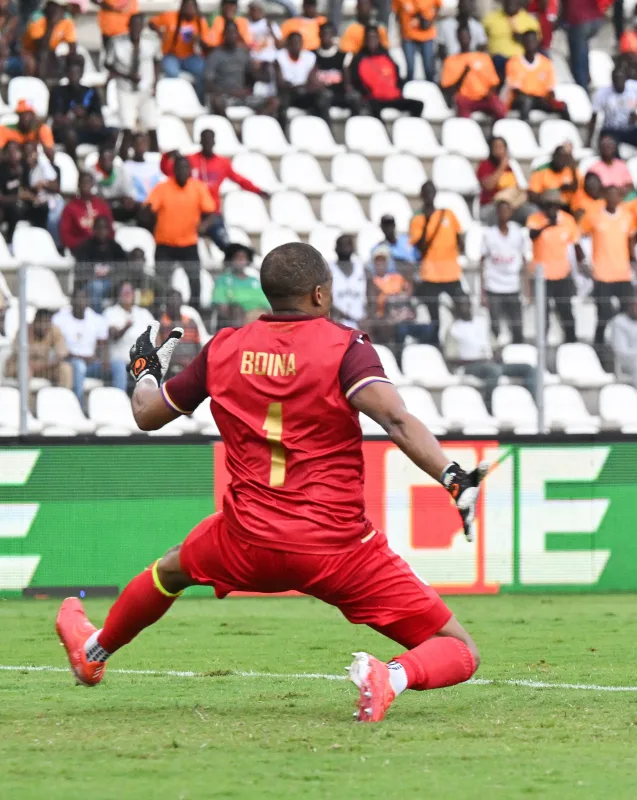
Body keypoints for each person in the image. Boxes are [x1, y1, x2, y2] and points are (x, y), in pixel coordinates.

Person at [54, 242, 488, 725]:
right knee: (459, 649)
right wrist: (453, 478)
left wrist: (145, 373)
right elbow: (397, 421)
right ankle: (392, 676)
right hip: (338, 549)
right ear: (321, 294)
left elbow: (147, 414)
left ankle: (94, 652)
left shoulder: (223, 347)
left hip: (246, 539)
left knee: (172, 570)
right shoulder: (346, 348)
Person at [174, 129, 268, 253]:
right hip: (190, 211)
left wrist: (258, 190)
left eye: (210, 140)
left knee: (224, 242)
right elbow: (169, 170)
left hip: (212, 213)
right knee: (179, 244)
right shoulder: (190, 160)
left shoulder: (222, 163)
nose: (207, 142)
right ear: (200, 141)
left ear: (214, 142)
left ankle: (237, 258)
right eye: (205, 139)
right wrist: (167, 157)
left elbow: (239, 179)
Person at [144, 155, 216, 306]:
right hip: (165, 244)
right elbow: (149, 208)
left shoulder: (198, 187)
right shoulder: (162, 187)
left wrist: (204, 225)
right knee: (161, 281)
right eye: (179, 168)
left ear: (190, 170)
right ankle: (160, 311)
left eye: (186, 167)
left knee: (195, 280)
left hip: (188, 243)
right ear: (174, 170)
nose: (183, 171)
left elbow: (211, 212)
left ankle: (195, 310)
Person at [580, 185, 636, 347]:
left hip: (623, 273)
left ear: (620, 198)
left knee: (627, 311)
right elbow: (580, 237)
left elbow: (631, 239)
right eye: (609, 195)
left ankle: (624, 343)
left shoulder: (627, 216)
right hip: (601, 274)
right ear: (605, 197)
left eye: (615, 195)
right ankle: (599, 344)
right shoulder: (594, 217)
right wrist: (585, 263)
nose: (613, 198)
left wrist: (634, 261)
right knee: (603, 313)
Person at [409, 181, 465, 340]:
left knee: (462, 309)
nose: (429, 195)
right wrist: (427, 223)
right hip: (430, 275)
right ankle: (435, 345)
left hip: (451, 273)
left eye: (431, 191)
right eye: (425, 192)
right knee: (434, 316)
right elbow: (420, 248)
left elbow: (460, 239)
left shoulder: (448, 214)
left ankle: (459, 341)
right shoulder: (417, 219)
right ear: (421, 196)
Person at [527, 190, 582, 343]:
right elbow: (532, 235)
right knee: (543, 314)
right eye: (548, 205)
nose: (551, 208)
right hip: (541, 276)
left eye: (554, 205)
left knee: (566, 312)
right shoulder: (535, 219)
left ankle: (572, 344)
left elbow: (575, 246)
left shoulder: (568, 220)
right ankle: (541, 345)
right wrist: (547, 225)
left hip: (562, 275)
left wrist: (578, 273)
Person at [105, 13, 159, 152]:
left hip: (145, 89)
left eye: (139, 25)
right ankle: (122, 160)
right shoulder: (116, 42)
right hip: (125, 90)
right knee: (127, 127)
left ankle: (155, 161)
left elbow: (157, 61)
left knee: (152, 126)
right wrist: (127, 75)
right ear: (128, 26)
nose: (136, 28)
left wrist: (155, 84)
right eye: (133, 25)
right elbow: (108, 64)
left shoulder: (152, 41)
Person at [52, 285, 111, 402]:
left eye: (83, 299)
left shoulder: (96, 319)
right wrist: (80, 358)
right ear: (71, 301)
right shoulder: (59, 319)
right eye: (77, 299)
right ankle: (78, 405)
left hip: (92, 363)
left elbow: (103, 346)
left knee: (118, 366)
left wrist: (102, 359)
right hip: (70, 362)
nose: (80, 302)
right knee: (79, 366)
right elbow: (60, 349)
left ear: (88, 300)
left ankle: (117, 404)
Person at [349, 26, 424, 118]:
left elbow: (397, 76)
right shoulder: (358, 59)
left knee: (418, 105)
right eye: (369, 38)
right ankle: (382, 131)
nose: (372, 41)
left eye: (375, 37)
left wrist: (398, 90)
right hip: (374, 99)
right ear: (365, 40)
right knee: (372, 107)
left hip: (392, 97)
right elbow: (356, 81)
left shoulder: (386, 56)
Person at [480, 199, 527, 343]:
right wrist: (482, 291)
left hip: (513, 286)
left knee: (517, 326)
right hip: (494, 287)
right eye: (501, 210)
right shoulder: (489, 235)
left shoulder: (518, 234)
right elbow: (481, 262)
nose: (504, 214)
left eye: (507, 210)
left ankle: (518, 354)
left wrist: (527, 288)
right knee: (495, 327)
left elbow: (524, 261)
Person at [441, 26, 505, 121]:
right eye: (461, 36)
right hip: (465, 99)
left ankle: (496, 133)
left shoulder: (484, 57)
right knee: (461, 107)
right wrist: (463, 74)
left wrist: (489, 93)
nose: (464, 38)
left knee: (499, 108)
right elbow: (448, 89)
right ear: (457, 38)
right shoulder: (450, 61)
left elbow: (494, 82)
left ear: (471, 37)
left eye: (466, 35)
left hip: (484, 97)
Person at [48, 57, 108, 154]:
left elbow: (99, 120)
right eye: (71, 73)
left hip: (86, 130)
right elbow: (57, 119)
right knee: (70, 135)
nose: (74, 76)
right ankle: (74, 165)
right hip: (65, 133)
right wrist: (72, 115)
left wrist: (86, 118)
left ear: (81, 74)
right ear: (67, 74)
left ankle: (103, 163)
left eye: (77, 73)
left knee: (112, 133)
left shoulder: (90, 92)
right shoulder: (57, 92)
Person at [104, 280, 155, 391]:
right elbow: (113, 335)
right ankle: (120, 403)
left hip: (142, 359)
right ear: (119, 294)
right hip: (120, 359)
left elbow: (156, 335)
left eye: (129, 292)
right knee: (120, 366)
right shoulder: (111, 312)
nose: (127, 294)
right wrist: (125, 328)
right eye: (124, 292)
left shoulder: (143, 313)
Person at [150, 0, 209, 96]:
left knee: (203, 70)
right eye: (187, 6)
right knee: (172, 72)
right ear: (182, 7)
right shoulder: (170, 16)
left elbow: (206, 46)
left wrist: (197, 39)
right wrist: (159, 32)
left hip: (190, 56)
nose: (189, 10)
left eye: (192, 7)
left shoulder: (200, 22)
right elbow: (151, 22)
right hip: (171, 55)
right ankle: (175, 98)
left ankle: (199, 98)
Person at [505, 30, 566, 121]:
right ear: (523, 43)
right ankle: (525, 130)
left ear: (537, 42)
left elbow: (550, 89)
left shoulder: (546, 63)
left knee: (562, 106)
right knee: (526, 101)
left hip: (541, 100)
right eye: (528, 41)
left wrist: (550, 100)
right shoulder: (514, 62)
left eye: (533, 41)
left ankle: (569, 131)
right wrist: (535, 97)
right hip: (520, 100)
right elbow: (516, 90)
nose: (530, 44)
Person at [73, 216, 131, 309]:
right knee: (97, 286)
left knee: (127, 287)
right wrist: (94, 272)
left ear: (108, 230)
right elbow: (80, 268)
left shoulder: (115, 246)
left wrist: (111, 270)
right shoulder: (86, 246)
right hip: (91, 283)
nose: (102, 231)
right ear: (94, 229)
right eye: (99, 228)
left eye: (104, 228)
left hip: (112, 281)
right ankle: (98, 316)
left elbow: (123, 264)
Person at [588, 63, 637, 148]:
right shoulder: (602, 92)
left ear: (626, 79)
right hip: (611, 130)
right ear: (612, 80)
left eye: (621, 78)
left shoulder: (635, 89)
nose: (618, 82)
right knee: (608, 143)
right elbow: (594, 116)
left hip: (630, 129)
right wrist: (588, 141)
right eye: (616, 79)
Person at [276, 31, 330, 120]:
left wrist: (306, 88)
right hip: (289, 93)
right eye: (294, 43)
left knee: (324, 95)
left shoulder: (309, 57)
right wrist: (294, 87)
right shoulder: (280, 56)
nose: (297, 45)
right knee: (282, 100)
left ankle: (325, 127)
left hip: (305, 91)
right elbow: (280, 83)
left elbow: (312, 80)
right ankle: (283, 131)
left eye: (299, 43)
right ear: (288, 44)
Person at [212, 243, 268, 328]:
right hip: (238, 320)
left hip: (259, 318)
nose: (241, 260)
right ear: (230, 259)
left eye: (243, 257)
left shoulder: (255, 281)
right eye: (237, 257)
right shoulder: (223, 281)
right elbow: (222, 306)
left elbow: (266, 303)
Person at [59, 171, 114, 255]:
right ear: (78, 185)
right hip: (81, 249)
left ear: (92, 185)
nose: (85, 185)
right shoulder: (70, 208)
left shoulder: (102, 205)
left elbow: (110, 229)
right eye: (83, 182)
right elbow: (65, 235)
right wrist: (82, 244)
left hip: (102, 247)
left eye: (88, 182)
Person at [482, 0, 538, 80]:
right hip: (497, 61)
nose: (510, 3)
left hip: (520, 62)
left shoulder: (530, 20)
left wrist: (521, 38)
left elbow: (536, 43)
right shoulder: (490, 19)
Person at [562, 0, 603, 87]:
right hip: (594, 18)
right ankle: (586, 79)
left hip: (578, 19)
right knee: (583, 54)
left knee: (578, 62)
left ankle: (583, 88)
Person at [394, 0, 438, 80]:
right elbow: (397, 13)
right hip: (408, 35)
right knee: (410, 69)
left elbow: (438, 7)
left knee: (429, 69)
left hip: (426, 35)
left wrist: (430, 22)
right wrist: (400, 32)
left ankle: (432, 89)